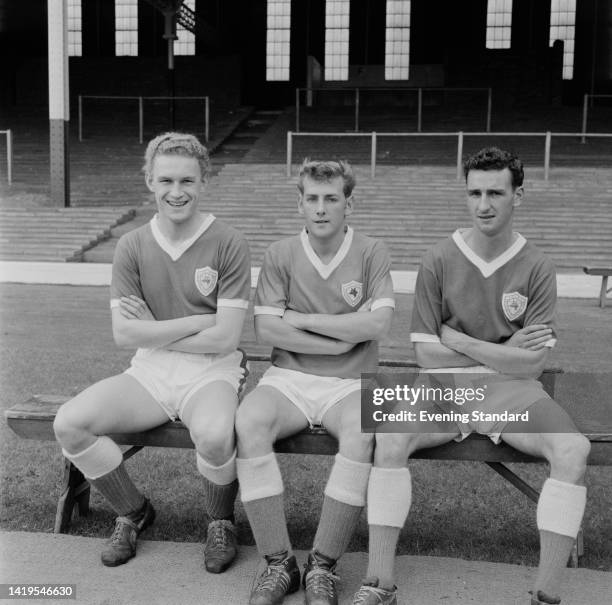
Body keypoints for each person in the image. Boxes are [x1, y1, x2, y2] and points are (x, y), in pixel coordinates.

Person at [357, 146, 590, 605]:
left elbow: (532, 365)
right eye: (475, 192)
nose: (484, 204)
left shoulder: (538, 265)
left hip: (512, 393)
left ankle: (546, 593)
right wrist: (504, 351)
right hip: (442, 392)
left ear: (517, 196)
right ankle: (379, 582)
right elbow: (425, 355)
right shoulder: (439, 258)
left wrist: (463, 343)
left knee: (572, 449)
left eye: (496, 193)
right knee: (388, 439)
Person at [53, 132, 251, 572]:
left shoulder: (229, 242)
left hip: (212, 370)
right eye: (165, 181)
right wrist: (198, 320)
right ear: (149, 181)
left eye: (187, 181)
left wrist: (154, 329)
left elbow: (225, 339)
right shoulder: (132, 245)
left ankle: (220, 521)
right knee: (70, 424)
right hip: (151, 371)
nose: (176, 192)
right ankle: (134, 511)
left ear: (204, 181)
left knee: (216, 435)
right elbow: (125, 336)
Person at [235, 159, 395, 605]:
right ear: (300, 203)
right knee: (249, 422)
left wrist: (304, 320)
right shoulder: (281, 254)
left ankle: (322, 565)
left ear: (349, 202)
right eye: (312, 199)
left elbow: (378, 326)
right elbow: (268, 331)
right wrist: (342, 336)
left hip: (350, 383)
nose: (321, 209)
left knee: (362, 433)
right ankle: (277, 562)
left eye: (331, 199)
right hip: (288, 378)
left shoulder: (371, 251)